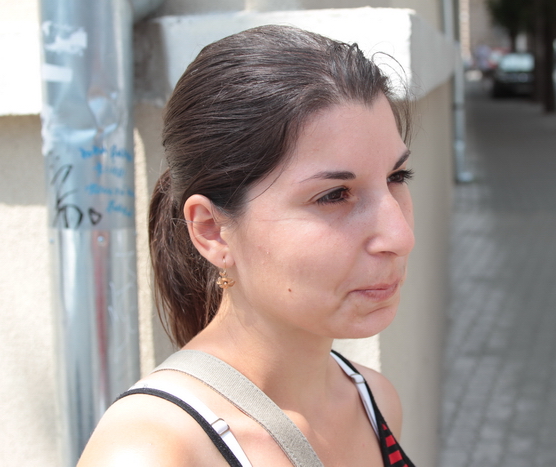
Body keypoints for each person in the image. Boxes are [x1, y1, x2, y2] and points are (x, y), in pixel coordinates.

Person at [77, 24, 416, 467]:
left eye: (396, 177)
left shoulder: (373, 402)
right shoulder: (154, 451)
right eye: (334, 195)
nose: (400, 236)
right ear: (212, 230)